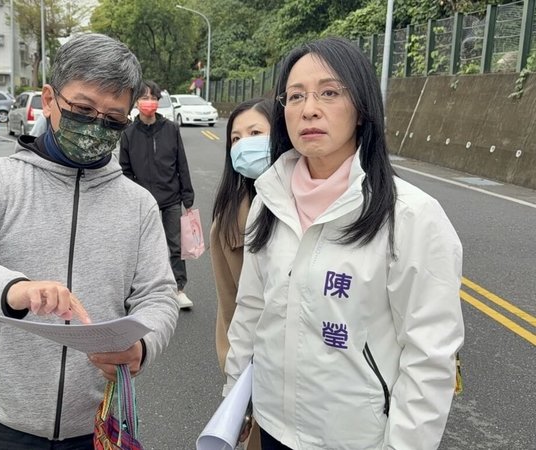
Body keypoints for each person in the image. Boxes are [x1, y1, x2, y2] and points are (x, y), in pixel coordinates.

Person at [0, 33, 178, 449]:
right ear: (50, 99)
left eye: (113, 119)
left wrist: (143, 347)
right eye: (83, 109)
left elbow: (159, 295)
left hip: (95, 425)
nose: (96, 127)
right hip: (3, 423)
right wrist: (12, 289)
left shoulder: (137, 204)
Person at [224, 37, 464, 450]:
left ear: (361, 109)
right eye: (295, 96)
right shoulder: (270, 199)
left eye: (329, 92)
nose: (309, 108)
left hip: (359, 439)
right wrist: (236, 400)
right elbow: (251, 311)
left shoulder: (410, 215)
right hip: (274, 429)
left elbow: (429, 355)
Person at [210, 98, 272, 450]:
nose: (244, 144)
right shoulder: (226, 223)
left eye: (255, 133)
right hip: (255, 370)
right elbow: (229, 306)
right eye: (236, 138)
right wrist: (237, 385)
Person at [119, 79, 195, 309]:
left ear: (158, 102)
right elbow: (124, 169)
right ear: (136, 102)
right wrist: (135, 193)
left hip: (171, 198)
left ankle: (178, 289)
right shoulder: (129, 133)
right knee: (140, 246)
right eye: (144, 98)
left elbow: (182, 162)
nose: (149, 102)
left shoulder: (170, 129)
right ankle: (138, 291)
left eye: (153, 98)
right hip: (142, 201)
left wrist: (187, 197)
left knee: (175, 245)